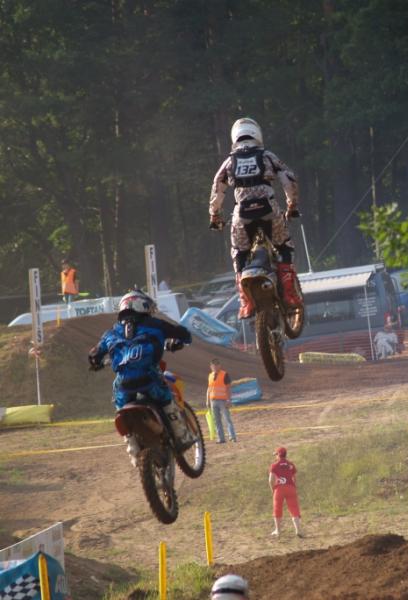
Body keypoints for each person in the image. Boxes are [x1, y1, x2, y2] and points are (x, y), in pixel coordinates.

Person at [209, 117, 302, 320]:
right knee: (284, 246)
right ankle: (289, 293)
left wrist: (214, 215)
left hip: (242, 215)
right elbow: (289, 179)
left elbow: (217, 188)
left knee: (239, 253)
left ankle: (245, 302)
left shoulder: (229, 162)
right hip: (269, 210)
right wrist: (292, 205)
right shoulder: (267, 156)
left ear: (235, 137)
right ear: (257, 134)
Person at [88, 290, 194, 466]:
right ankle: (181, 435)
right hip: (149, 378)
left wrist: (96, 363)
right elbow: (183, 333)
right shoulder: (155, 324)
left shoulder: (111, 333)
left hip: (124, 385)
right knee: (166, 398)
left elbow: (94, 354)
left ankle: (132, 446)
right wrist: (179, 341)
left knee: (120, 406)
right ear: (142, 305)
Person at [269, 446, 303, 537]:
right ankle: (298, 530)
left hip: (279, 489)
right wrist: (294, 488)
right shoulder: (291, 464)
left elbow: (270, 480)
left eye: (276, 454)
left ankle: (278, 531)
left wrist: (273, 490)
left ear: (278, 455)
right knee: (294, 509)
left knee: (277, 509)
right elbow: (294, 478)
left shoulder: (274, 465)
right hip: (290, 488)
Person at [207, 359, 237, 443]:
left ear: (219, 365)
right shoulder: (210, 375)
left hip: (223, 400)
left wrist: (228, 400)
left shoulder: (224, 374)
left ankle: (232, 437)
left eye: (217, 365)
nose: (215, 367)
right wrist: (207, 400)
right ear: (211, 367)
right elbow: (209, 389)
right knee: (217, 421)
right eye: (213, 365)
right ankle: (221, 438)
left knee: (227, 419)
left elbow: (228, 388)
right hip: (213, 401)